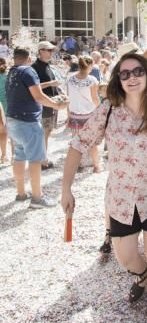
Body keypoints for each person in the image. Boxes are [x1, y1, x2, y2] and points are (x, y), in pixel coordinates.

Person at [61, 53, 147, 323]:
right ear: (117, 80)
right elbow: (78, 144)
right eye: (124, 74)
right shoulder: (109, 110)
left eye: (138, 71)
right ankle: (142, 275)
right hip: (122, 199)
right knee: (125, 256)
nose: (132, 77)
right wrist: (66, 188)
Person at [6, 46, 68, 207]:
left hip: (12, 120)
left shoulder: (11, 72)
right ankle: (37, 198)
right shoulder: (28, 71)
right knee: (35, 159)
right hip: (28, 122)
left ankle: (21, 193)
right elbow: (38, 96)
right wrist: (57, 105)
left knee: (19, 157)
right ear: (29, 57)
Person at [66, 55, 101, 172]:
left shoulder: (70, 78)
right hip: (89, 115)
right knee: (92, 143)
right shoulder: (92, 80)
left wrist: (68, 114)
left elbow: (68, 97)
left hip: (74, 115)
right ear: (90, 66)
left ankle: (78, 165)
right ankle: (97, 166)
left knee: (76, 142)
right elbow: (95, 99)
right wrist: (101, 110)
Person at [32, 40, 63, 169]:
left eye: (52, 50)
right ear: (41, 51)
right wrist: (51, 84)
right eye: (49, 50)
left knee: (47, 131)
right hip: (43, 104)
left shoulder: (47, 65)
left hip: (51, 103)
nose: (51, 53)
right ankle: (42, 160)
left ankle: (43, 158)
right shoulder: (35, 67)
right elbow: (34, 87)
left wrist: (59, 91)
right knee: (43, 132)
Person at [0, 57, 9, 163]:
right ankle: (3, 155)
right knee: (3, 133)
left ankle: (4, 155)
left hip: (4, 107)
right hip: (5, 108)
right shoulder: (8, 77)